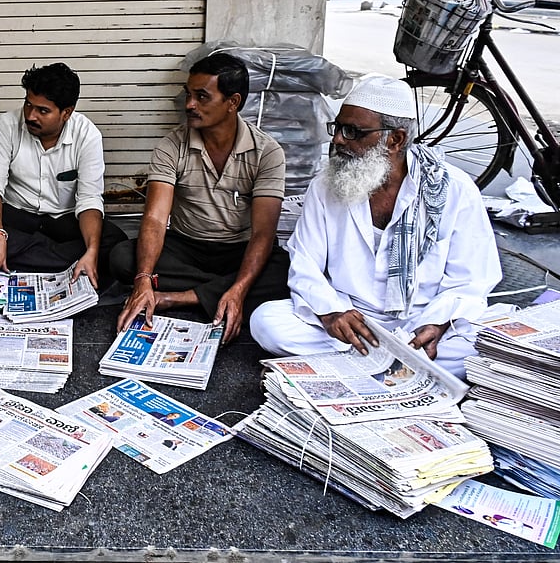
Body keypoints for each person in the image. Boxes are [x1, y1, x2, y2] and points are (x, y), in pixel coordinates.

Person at [250, 75, 501, 378]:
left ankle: (368, 364)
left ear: (395, 140)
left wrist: (436, 323)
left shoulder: (454, 189)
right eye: (338, 128)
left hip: (420, 321)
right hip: (352, 319)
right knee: (265, 322)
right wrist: (331, 312)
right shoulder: (325, 185)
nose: (338, 140)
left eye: (353, 131)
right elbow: (304, 263)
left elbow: (470, 281)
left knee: (475, 350)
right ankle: (393, 367)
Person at [111, 52, 290, 342]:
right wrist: (143, 279)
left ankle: (178, 298)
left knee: (283, 271)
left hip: (238, 251)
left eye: (202, 97)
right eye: (188, 94)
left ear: (233, 102)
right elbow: (156, 219)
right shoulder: (172, 145)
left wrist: (240, 285)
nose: (189, 105)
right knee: (122, 257)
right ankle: (215, 293)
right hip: (185, 248)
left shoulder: (267, 153)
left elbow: (262, 233)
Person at [0, 63, 126, 286]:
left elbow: (89, 198)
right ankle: (55, 261)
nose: (31, 115)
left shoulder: (87, 135)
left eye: (43, 110)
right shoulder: (7, 125)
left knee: (113, 244)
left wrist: (92, 250)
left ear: (66, 112)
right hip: (17, 215)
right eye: (28, 104)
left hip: (64, 219)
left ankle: (4, 259)